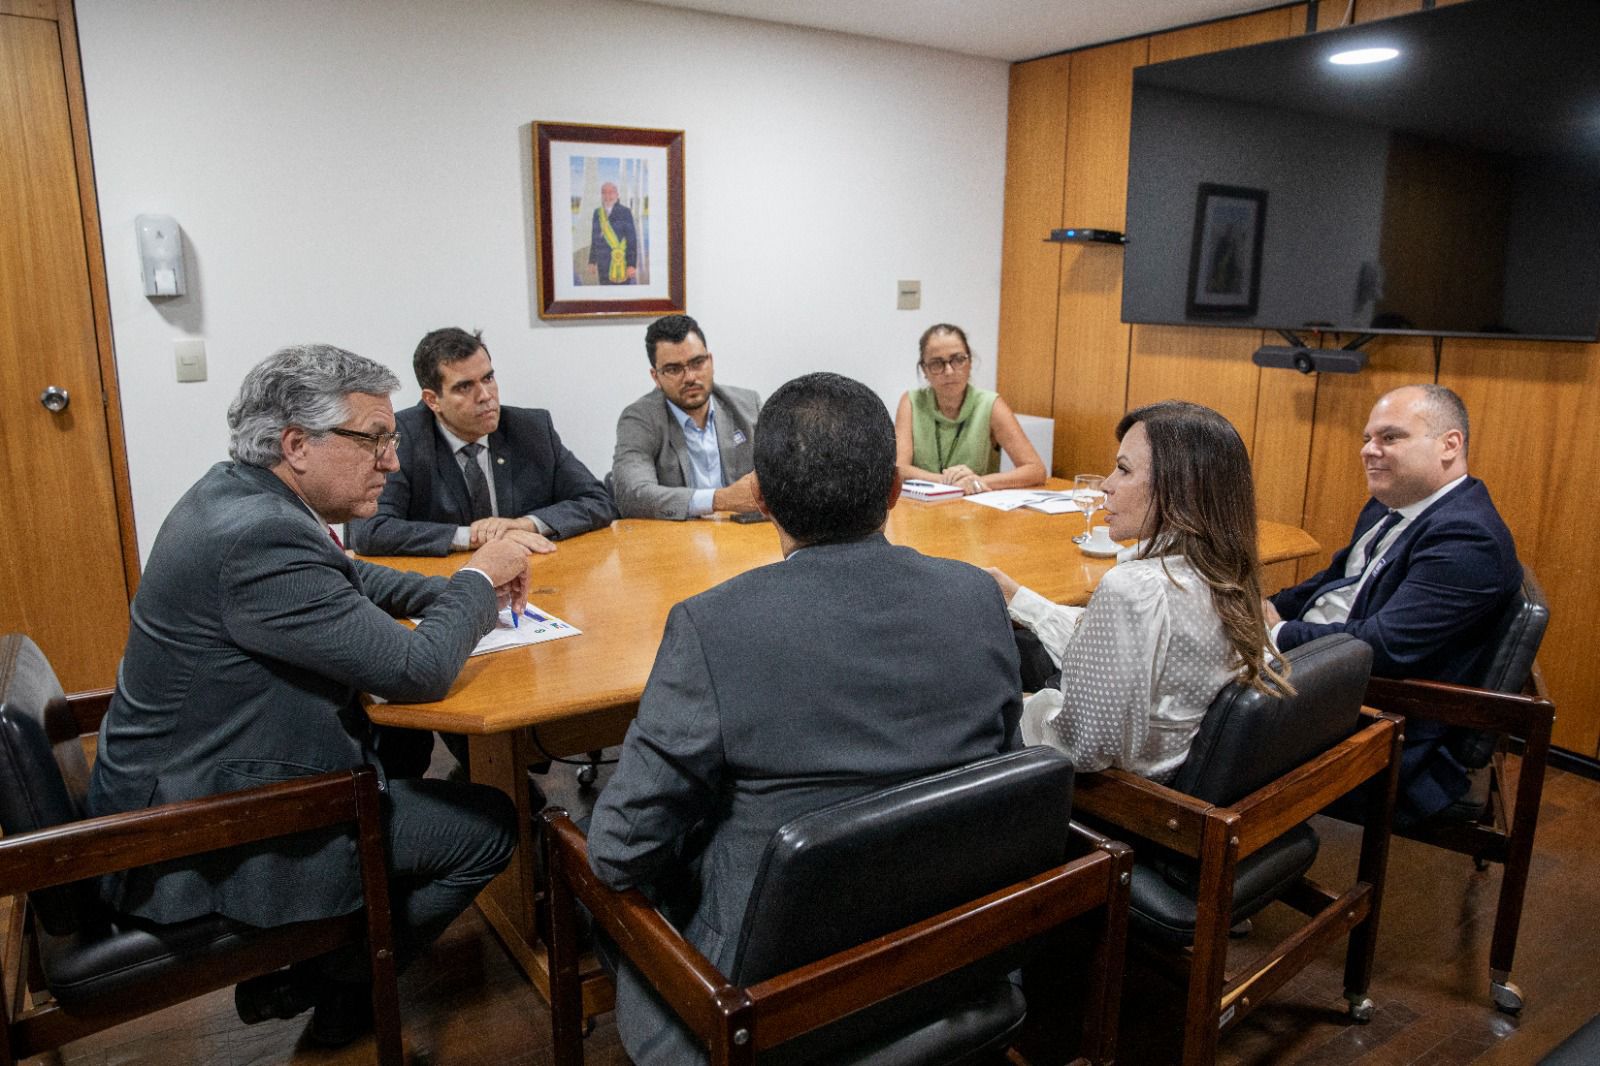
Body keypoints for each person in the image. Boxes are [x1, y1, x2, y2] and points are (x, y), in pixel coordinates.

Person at [87, 344, 529, 1046]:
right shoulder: (257, 537)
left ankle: (333, 962)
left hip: (195, 774)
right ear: (296, 444)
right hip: (198, 834)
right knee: (489, 827)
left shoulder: (240, 494)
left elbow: (348, 578)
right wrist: (477, 579)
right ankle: (335, 986)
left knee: (405, 746)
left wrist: (452, 591)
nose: (393, 460)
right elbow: (416, 671)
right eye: (375, 440)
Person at [587, 371, 1023, 1065]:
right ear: (894, 490)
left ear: (759, 498)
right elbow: (1004, 778)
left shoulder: (713, 626)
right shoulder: (978, 598)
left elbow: (619, 850)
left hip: (768, 1000)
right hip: (953, 954)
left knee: (586, 840)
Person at [987, 400, 1288, 783]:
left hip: (1113, 801)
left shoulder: (1135, 589)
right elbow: (1104, 646)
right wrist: (1019, 599)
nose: (1106, 485)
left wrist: (1029, 708)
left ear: (1179, 487)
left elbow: (1082, 749)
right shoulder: (1223, 573)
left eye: (1123, 469)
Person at [1265, 383, 1520, 824]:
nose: (1369, 450)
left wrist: (1274, 634)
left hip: (1384, 724)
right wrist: (1263, 606)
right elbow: (1334, 582)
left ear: (1449, 444)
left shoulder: (1467, 539)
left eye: (1390, 437)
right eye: (1367, 438)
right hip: (1325, 673)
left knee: (1186, 721)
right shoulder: (1394, 503)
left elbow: (1385, 647)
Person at [347, 327, 616, 556]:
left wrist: (526, 525)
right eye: (465, 387)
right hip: (440, 587)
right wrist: (472, 537)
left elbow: (598, 501)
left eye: (488, 378)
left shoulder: (531, 429)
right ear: (432, 400)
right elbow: (370, 530)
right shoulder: (403, 438)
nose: (486, 395)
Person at [610, 314, 762, 519]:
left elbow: (784, 473)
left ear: (710, 361)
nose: (690, 377)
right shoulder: (640, 419)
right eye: (674, 369)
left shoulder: (748, 406)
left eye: (697, 362)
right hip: (678, 542)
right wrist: (720, 499)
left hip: (743, 538)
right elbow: (632, 495)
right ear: (656, 377)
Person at [894, 323, 1047, 494]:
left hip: (975, 507)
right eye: (937, 363)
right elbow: (899, 469)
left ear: (970, 362)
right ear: (924, 369)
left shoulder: (990, 404)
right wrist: (949, 482)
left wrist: (977, 481)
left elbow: (1035, 470)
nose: (949, 371)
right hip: (922, 507)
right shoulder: (911, 402)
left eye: (958, 359)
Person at [588, 181, 637, 285]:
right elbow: (594, 238)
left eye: (611, 192)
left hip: (621, 262)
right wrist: (592, 261)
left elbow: (631, 240)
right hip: (602, 265)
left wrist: (631, 265)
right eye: (604, 192)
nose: (607, 196)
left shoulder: (625, 212)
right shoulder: (597, 213)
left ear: (617, 194)